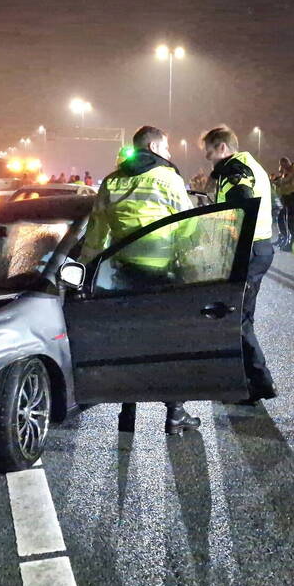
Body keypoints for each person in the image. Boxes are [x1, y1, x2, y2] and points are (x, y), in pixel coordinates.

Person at [81, 125, 201, 435]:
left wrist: (85, 270)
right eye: (166, 147)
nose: (170, 153)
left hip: (123, 273)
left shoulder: (112, 180)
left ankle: (127, 412)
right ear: (153, 146)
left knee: (129, 341)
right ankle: (175, 413)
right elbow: (187, 225)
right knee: (170, 343)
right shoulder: (167, 178)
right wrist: (192, 264)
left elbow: (97, 230)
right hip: (163, 275)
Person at [202, 125, 277, 405]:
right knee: (238, 317)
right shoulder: (247, 164)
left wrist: (228, 229)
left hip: (248, 251)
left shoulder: (237, 170)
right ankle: (246, 380)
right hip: (255, 249)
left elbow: (241, 203)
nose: (208, 159)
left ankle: (258, 383)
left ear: (221, 148)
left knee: (238, 320)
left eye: (209, 152)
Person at [276, 157, 294, 250]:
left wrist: (281, 182)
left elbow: (293, 185)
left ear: (287, 162)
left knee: (291, 220)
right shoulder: (286, 171)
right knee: (282, 218)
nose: (282, 167)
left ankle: (293, 242)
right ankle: (285, 238)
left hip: (293, 196)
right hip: (286, 197)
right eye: (281, 165)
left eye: (283, 164)